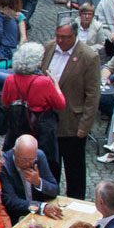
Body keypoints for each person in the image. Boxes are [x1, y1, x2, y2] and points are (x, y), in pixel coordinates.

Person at [42, 18, 100, 199]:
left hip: (72, 122)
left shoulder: (88, 57)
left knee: (74, 168)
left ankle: (76, 202)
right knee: (51, 165)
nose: (61, 41)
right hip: (48, 119)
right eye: (58, 36)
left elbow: (93, 94)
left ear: (75, 36)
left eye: (65, 37)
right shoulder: (49, 48)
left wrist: (85, 126)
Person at [1, 42, 65, 157]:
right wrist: (56, 85)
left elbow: (5, 102)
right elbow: (60, 104)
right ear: (37, 62)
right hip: (40, 132)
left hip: (16, 129)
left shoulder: (10, 80)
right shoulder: (44, 82)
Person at [0, 135, 62, 223]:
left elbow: (55, 190)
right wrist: (41, 207)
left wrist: (38, 182)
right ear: (14, 152)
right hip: (18, 216)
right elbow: (11, 201)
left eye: (31, 159)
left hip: (39, 215)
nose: (28, 163)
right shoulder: (4, 165)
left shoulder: (39, 156)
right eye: (24, 160)